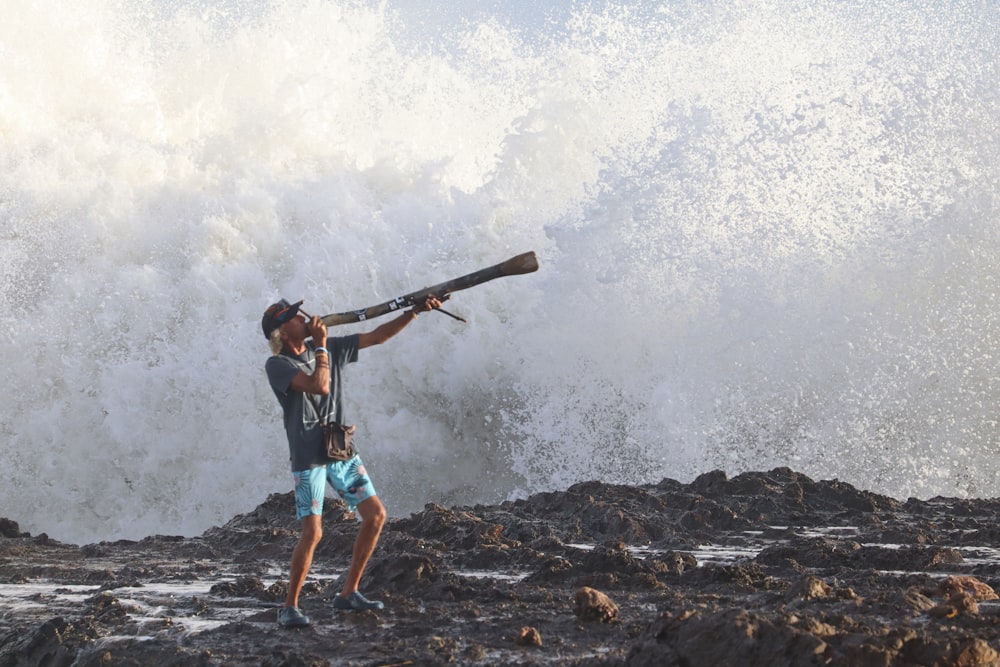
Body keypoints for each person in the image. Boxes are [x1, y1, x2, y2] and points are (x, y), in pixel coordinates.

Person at [262, 295, 443, 628]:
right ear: (281, 333)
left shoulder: (325, 348)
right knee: (313, 533)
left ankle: (349, 593)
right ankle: (289, 606)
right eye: (293, 317)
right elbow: (319, 385)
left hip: (339, 448)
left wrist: (414, 312)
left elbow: (377, 336)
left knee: (375, 516)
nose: (304, 317)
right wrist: (320, 346)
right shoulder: (278, 365)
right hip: (308, 458)